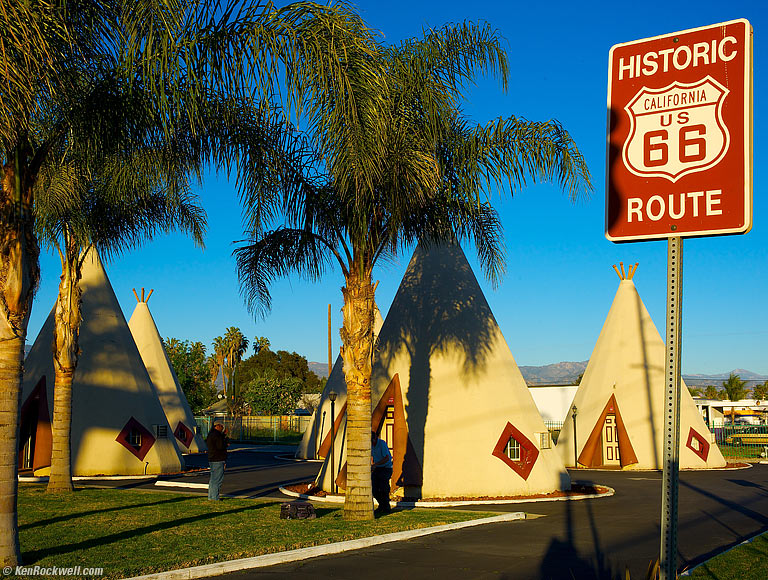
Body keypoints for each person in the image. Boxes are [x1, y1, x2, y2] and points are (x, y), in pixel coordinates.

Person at [371, 430, 393, 513]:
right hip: (377, 468)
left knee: (384, 488)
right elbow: (372, 455)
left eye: (373, 440)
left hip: (386, 468)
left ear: (375, 438)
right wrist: (373, 464)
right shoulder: (370, 445)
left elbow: (387, 458)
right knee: (374, 489)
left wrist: (376, 464)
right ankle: (382, 505)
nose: (372, 443)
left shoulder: (382, 444)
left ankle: (386, 507)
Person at [206, 421, 228, 500]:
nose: (222, 428)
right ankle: (215, 497)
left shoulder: (210, 434)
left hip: (212, 458)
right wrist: (226, 443)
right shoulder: (217, 435)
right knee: (218, 479)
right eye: (222, 426)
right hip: (218, 458)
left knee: (213, 479)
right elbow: (220, 446)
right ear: (218, 426)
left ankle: (211, 496)